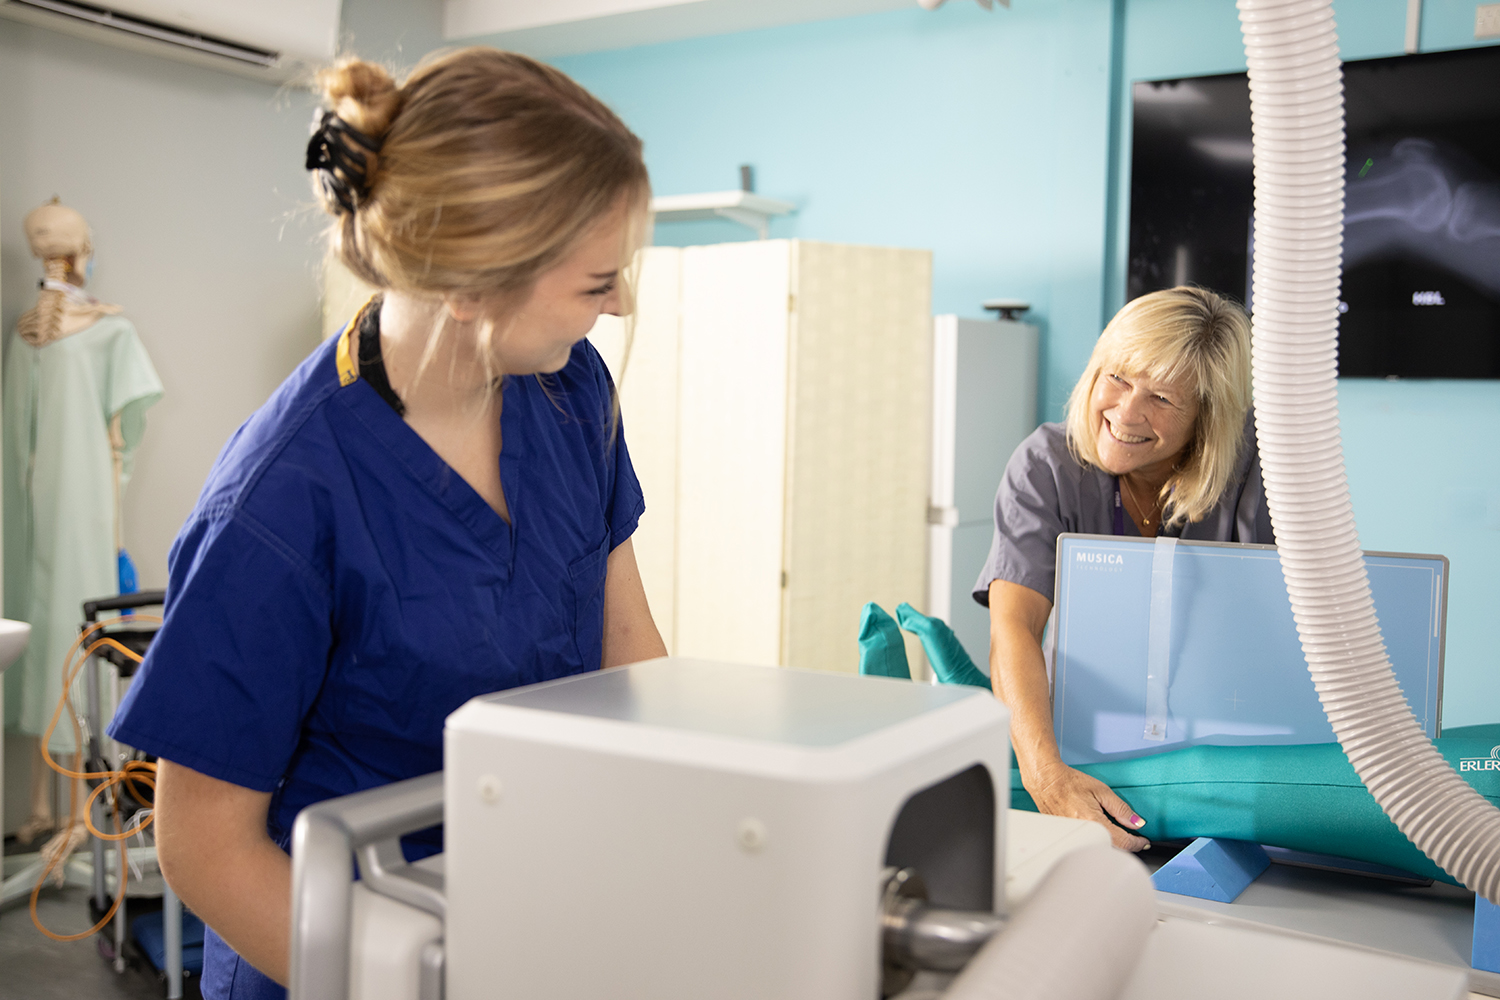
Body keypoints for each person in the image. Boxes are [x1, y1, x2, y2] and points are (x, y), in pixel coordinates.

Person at [107, 49, 666, 998]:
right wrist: (401, 980)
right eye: (595, 282)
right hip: (342, 960)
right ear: (473, 288)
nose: (618, 303)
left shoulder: (571, 393)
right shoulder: (283, 500)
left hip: (529, 921)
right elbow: (202, 847)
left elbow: (629, 650)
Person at [973, 286, 1271, 852]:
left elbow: (1282, 637)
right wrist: (1047, 777)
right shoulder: (1046, 466)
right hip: (1086, 733)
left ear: (1206, 418)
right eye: (1117, 378)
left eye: (1161, 397)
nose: (1126, 413)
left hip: (1219, 743)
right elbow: (1013, 628)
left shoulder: (1259, 470)